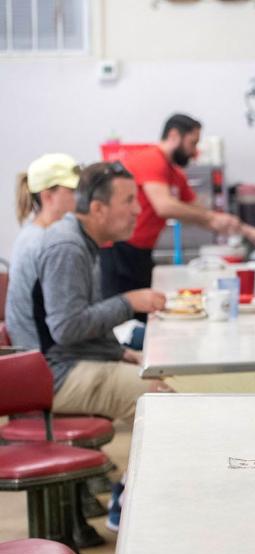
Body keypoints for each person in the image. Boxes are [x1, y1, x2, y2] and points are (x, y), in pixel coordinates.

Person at [24, 162, 167, 421]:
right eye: (129, 201)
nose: (138, 210)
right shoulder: (67, 246)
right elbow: (66, 328)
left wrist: (118, 353)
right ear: (98, 209)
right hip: (55, 373)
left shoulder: (82, 239)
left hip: (71, 360)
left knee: (165, 371)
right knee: (165, 397)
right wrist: (129, 302)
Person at [100, 113, 244, 304]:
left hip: (142, 251)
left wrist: (250, 232)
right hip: (120, 249)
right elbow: (165, 206)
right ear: (174, 136)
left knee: (142, 314)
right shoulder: (151, 159)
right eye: (192, 143)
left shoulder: (174, 173)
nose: (195, 153)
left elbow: (203, 214)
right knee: (121, 316)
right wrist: (208, 216)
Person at [6, 153, 80, 350]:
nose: (81, 197)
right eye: (73, 190)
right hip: (46, 358)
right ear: (48, 196)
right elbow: (67, 326)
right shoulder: (45, 243)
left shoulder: (34, 234)